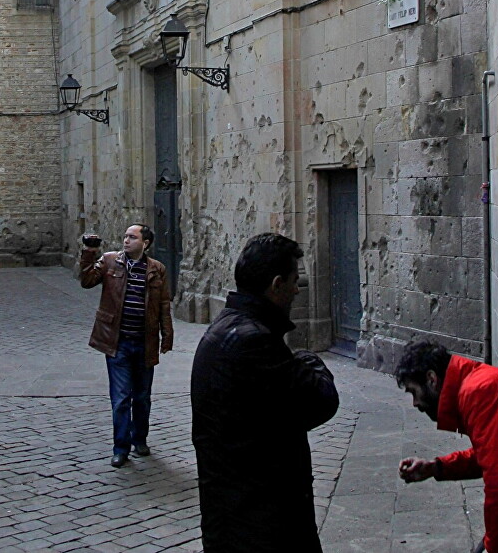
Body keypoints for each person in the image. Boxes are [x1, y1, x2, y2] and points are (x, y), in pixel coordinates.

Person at [190, 232, 339, 553]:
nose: (298, 289)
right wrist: (309, 359)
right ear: (276, 284)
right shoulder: (254, 342)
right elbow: (320, 400)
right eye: (294, 280)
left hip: (237, 515)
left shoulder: (224, 329)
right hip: (261, 523)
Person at [395, 340, 498, 553]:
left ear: (431, 379)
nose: (415, 403)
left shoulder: (478, 391)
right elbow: (491, 455)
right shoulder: (472, 386)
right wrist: (435, 467)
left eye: (413, 392)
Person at [79, 224, 174, 467]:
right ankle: (120, 447)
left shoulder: (157, 269)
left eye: (132, 237)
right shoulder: (110, 262)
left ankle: (139, 439)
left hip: (145, 342)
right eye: (125, 236)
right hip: (117, 341)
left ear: (146, 243)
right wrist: (90, 251)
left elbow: (163, 304)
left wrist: (167, 335)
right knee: (121, 397)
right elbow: (87, 280)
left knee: (142, 396)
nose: (126, 241)